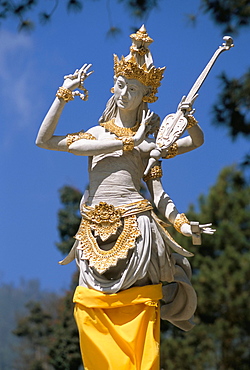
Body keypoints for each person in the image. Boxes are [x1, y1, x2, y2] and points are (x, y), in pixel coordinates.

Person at [36, 26, 215, 370]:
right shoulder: (98, 133)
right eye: (121, 86)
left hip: (138, 226)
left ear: (145, 95)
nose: (125, 95)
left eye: (133, 89)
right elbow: (44, 140)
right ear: (113, 86)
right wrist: (63, 95)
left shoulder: (150, 143)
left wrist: (181, 223)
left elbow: (189, 151)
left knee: (138, 309)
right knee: (87, 306)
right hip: (92, 231)